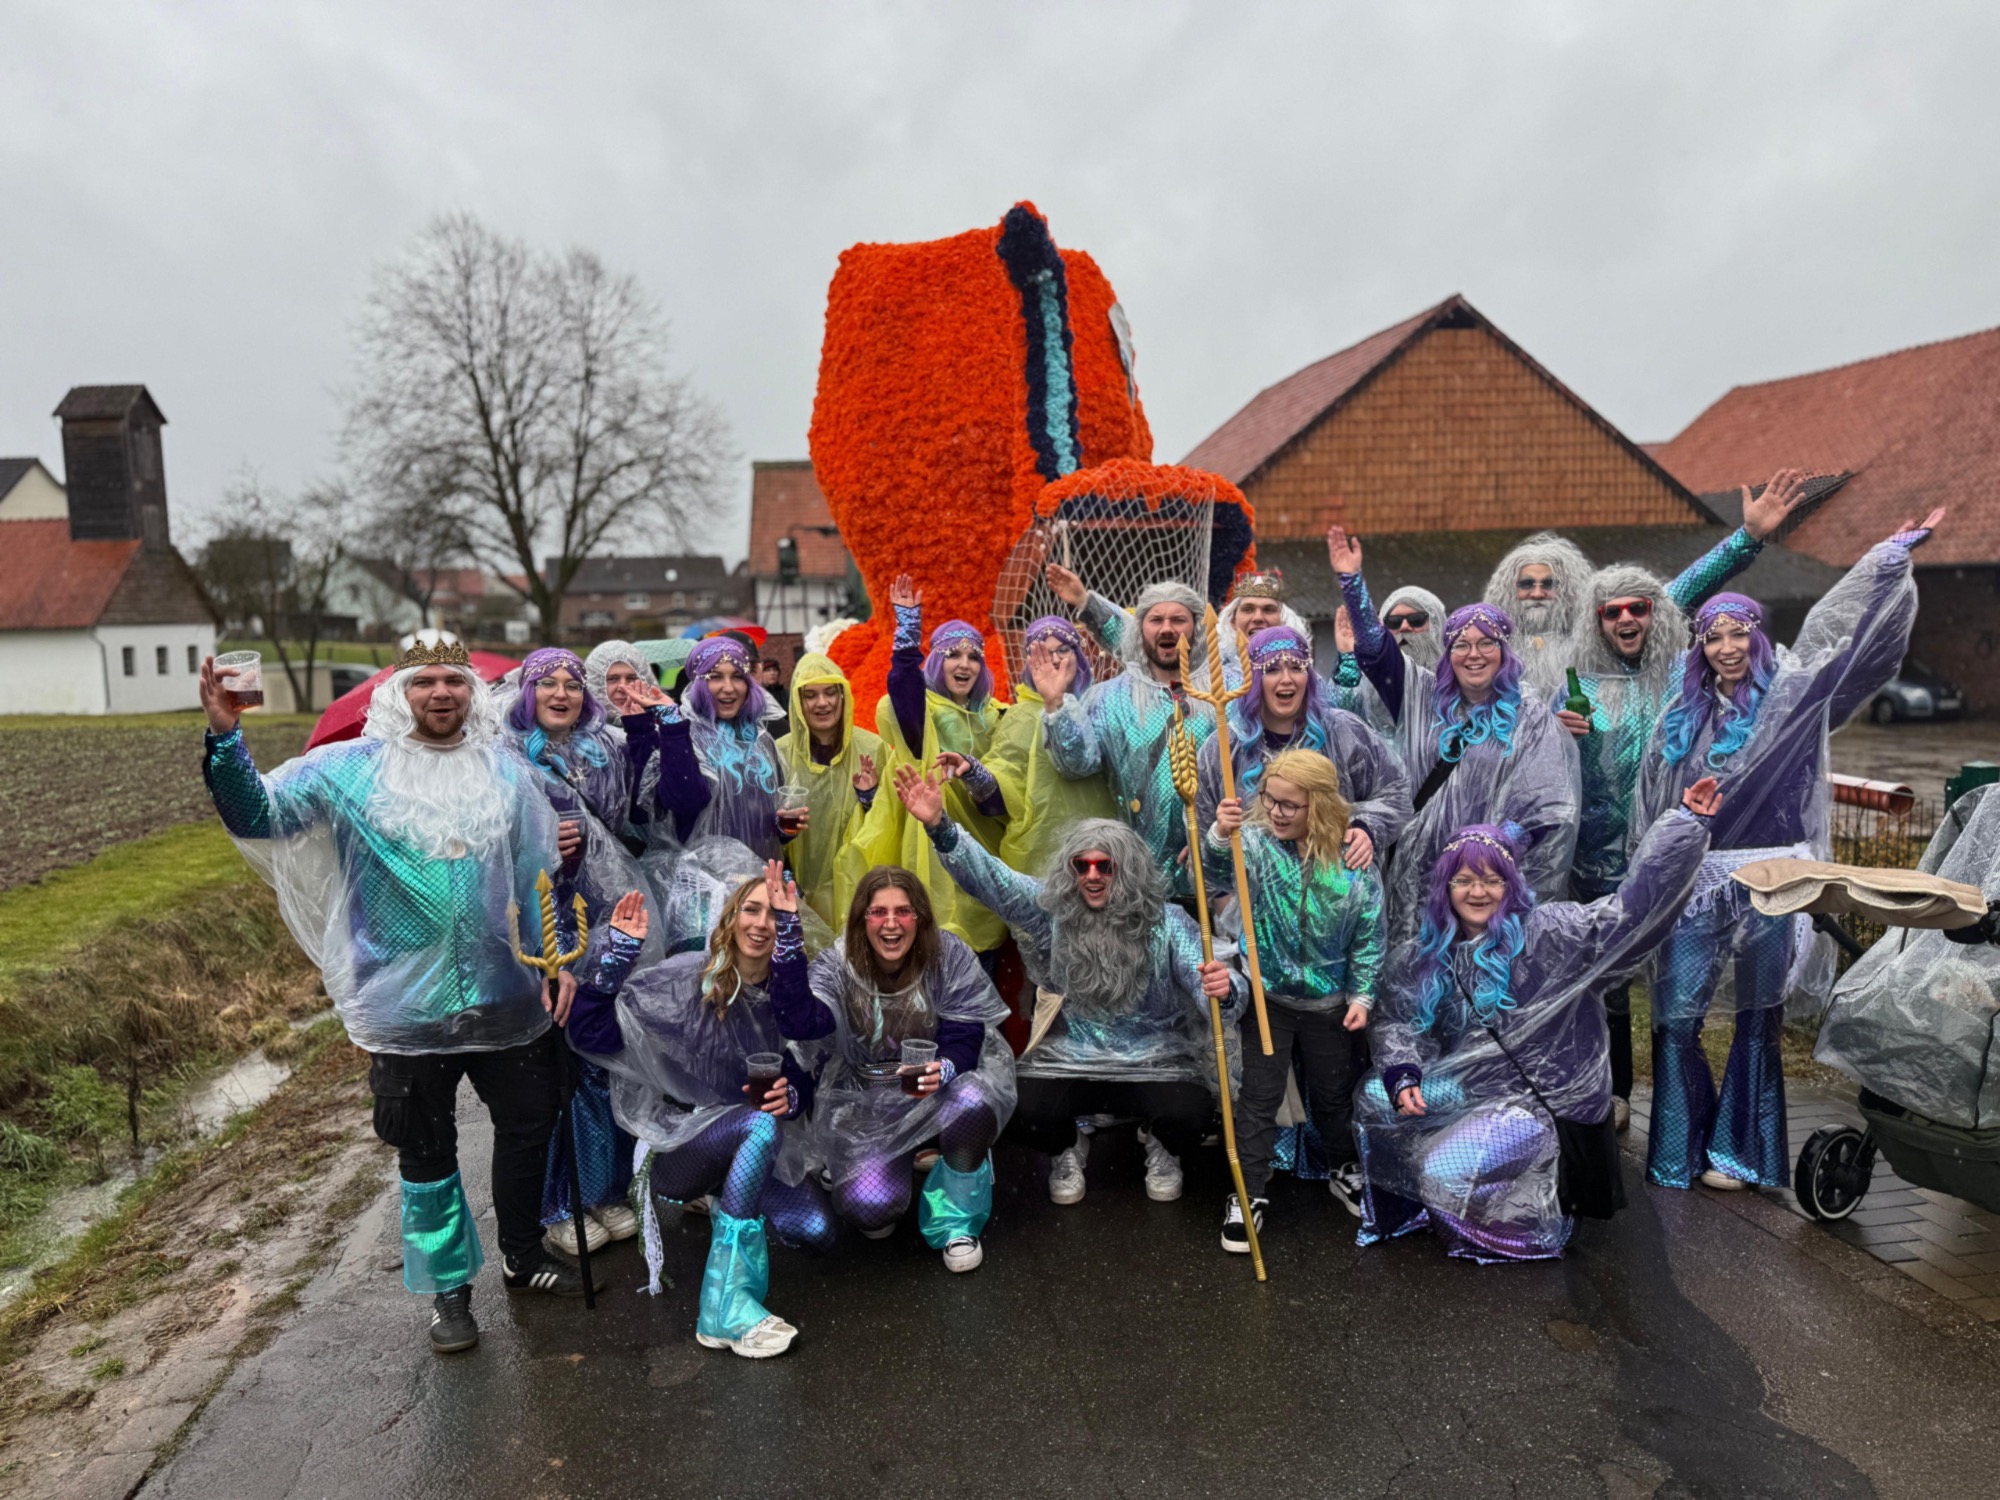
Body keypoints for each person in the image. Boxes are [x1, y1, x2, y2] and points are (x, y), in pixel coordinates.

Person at [199, 631, 594, 1357]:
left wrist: (555, 960)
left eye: (454, 680)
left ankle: (522, 1251)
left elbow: (537, 874)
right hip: (404, 1011)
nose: (441, 692)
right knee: (424, 1149)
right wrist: (226, 737)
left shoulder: (506, 771)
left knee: (529, 1127)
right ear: (397, 693)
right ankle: (449, 1287)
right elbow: (258, 815)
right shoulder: (347, 771)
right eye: (424, 681)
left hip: (507, 1000)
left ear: (472, 693)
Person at [1634, 510, 1942, 1191]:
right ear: (1699, 647)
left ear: (1758, 635)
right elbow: (1652, 799)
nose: (1726, 647)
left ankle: (1738, 1155)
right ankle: (1680, 1147)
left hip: (1776, 874)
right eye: (1713, 636)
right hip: (1696, 877)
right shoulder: (1681, 712)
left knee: (1756, 1018)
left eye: (1738, 632)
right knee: (1676, 1017)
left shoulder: (1795, 696)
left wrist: (1885, 563)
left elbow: (1861, 652)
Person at [1354, 789, 1716, 1262]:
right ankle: (1426, 1204)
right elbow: (1398, 1021)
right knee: (1376, 1098)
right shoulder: (1429, 954)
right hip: (1473, 1087)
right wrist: (1403, 1073)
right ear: (1445, 887)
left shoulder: (1551, 933)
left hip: (1539, 1103)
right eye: (1464, 880)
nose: (1478, 893)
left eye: (1491, 880)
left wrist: (1684, 828)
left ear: (1511, 885)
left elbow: (1632, 913)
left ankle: (1537, 1225)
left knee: (1441, 1172)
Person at [1557, 469, 1808, 1128]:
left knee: (1675, 989)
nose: (1627, 618)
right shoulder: (1577, 685)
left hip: (1677, 856)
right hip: (1596, 861)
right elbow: (1542, 768)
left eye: (1637, 609)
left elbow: (1686, 591)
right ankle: (1612, 1093)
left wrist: (1746, 540)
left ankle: (1682, 1118)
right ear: (1596, 621)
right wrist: (1557, 733)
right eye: (1611, 611)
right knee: (1606, 983)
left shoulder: (1677, 671)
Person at [894, 766, 1238, 1205]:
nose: (1092, 876)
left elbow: (1210, 983)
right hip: (1072, 1058)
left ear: (1128, 870)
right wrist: (941, 828)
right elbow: (995, 881)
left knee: (1193, 1113)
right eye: (1082, 865)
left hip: (1158, 1060)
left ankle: (1162, 1143)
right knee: (1021, 1108)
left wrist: (1224, 989)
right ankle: (1067, 1147)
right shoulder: (1052, 914)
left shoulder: (1166, 922)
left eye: (1105, 866)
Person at [567, 876, 836, 1359]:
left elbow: (804, 1052)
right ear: (730, 918)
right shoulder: (686, 979)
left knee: (815, 1231)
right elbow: (592, 1034)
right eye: (751, 909)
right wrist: (616, 960)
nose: (762, 923)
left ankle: (726, 1198)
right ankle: (724, 1309)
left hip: (749, 1147)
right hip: (679, 1149)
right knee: (758, 1124)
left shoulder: (788, 993)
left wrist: (792, 1094)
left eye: (775, 915)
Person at [1330, 528, 1580, 942]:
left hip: (1487, 884)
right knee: (1418, 965)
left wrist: (1482, 854)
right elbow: (1375, 651)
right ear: (1448, 654)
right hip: (1418, 877)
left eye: (1486, 644)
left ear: (1505, 652)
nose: (1473, 654)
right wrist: (1352, 583)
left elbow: (1546, 807)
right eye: (1461, 645)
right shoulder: (1421, 696)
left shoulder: (1530, 716)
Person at [768, 866, 1016, 1271]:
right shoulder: (839, 964)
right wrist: (789, 939)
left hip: (937, 1090)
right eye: (878, 912)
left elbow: (967, 1033)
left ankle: (956, 1214)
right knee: (870, 1210)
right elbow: (800, 1022)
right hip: (867, 1099)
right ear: (861, 919)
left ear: (920, 917)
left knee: (973, 1102)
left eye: (903, 911)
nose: (891, 923)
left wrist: (945, 1068)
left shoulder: (947, 954)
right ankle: (886, 1166)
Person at [503, 647, 663, 1256]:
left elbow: (637, 816)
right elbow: (494, 848)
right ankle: (560, 1205)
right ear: (527, 694)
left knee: (607, 1053)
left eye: (572, 684)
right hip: (547, 925)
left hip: (607, 911)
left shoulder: (604, 747)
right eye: (548, 684)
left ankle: (606, 1190)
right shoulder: (508, 757)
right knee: (562, 1068)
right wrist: (546, 850)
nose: (562, 693)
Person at [1208, 749, 1386, 1245]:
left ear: (1320, 806)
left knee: (1333, 1093)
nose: (1276, 812)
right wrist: (1220, 834)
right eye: (1270, 799)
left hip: (1330, 1004)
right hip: (1269, 999)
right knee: (1259, 1098)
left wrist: (1362, 996)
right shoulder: (1256, 845)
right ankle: (1249, 1191)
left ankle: (1342, 1166)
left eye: (1289, 804)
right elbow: (1213, 870)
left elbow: (1369, 936)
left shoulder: (1353, 863)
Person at [1036, 580, 1216, 897]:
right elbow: (1076, 765)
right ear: (1140, 629)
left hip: (1215, 874)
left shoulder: (1224, 691)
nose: (1167, 628)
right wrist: (1056, 705)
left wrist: (1214, 838)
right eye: (1156, 620)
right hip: (1135, 880)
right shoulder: (1108, 698)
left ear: (1196, 627)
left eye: (1178, 619)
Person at [1194, 623, 1412, 873]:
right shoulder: (1224, 747)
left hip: (1339, 889)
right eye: (1272, 669)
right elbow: (1203, 837)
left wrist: (1367, 828)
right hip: (1255, 894)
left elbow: (1396, 792)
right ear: (1252, 679)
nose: (1287, 679)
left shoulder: (1344, 732)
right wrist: (1219, 847)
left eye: (1297, 668)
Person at [615, 636, 787, 863]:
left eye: (737, 676)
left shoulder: (762, 741)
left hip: (762, 878)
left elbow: (772, 816)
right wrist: (672, 725)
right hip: (706, 878)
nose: (728, 688)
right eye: (715, 677)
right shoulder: (682, 736)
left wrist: (784, 827)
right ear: (698, 684)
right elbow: (685, 802)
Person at [987, 615, 1122, 878]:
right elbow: (1003, 781)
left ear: (1078, 655)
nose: (1056, 659)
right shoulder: (1020, 716)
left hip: (1106, 853)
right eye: (1046, 654)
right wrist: (974, 773)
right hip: (1041, 858)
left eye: (1063, 650)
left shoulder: (1102, 705)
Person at [773, 652, 883, 928]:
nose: (822, 703)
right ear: (797, 702)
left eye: (830, 693)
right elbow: (765, 831)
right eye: (810, 695)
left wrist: (870, 799)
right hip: (797, 897)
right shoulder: (779, 753)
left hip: (861, 895)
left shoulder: (872, 749)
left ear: (843, 696)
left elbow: (892, 826)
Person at [1481, 532, 1595, 702]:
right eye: (1527, 584)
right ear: (1509, 591)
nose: (1537, 594)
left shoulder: (1587, 647)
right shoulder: (1492, 648)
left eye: (1549, 584)